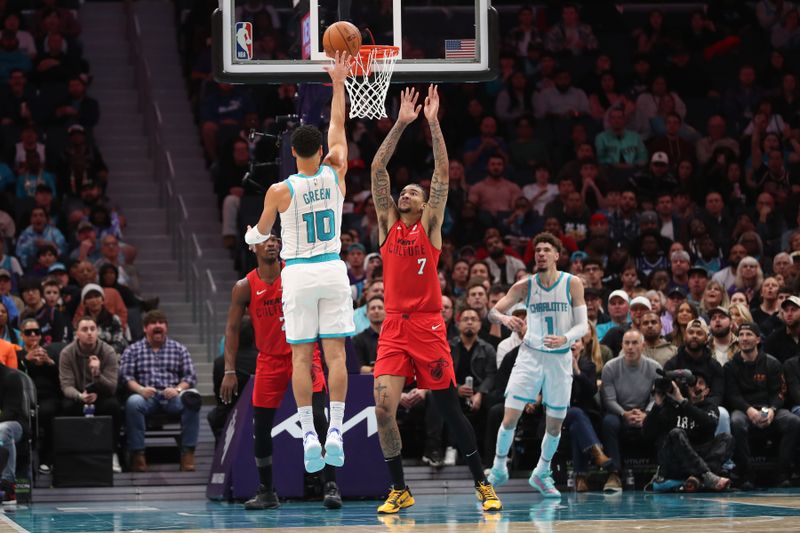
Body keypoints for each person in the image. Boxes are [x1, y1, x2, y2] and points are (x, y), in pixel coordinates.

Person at [369, 86, 501, 513]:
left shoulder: (429, 226)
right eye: (403, 191)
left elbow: (442, 175)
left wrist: (433, 123)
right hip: (393, 325)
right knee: (383, 409)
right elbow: (377, 169)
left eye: (413, 191)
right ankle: (399, 488)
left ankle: (482, 483)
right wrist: (402, 123)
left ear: (426, 204)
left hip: (427, 325)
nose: (406, 193)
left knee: (449, 411)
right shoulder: (388, 223)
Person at [244, 52, 353, 473]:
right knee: (337, 357)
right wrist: (339, 82)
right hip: (332, 268)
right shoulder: (336, 172)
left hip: (299, 275)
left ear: (291, 152)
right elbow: (338, 125)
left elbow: (259, 233)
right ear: (322, 151)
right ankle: (338, 431)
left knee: (302, 359)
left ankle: (310, 433)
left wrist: (252, 237)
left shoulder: (279, 190)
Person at [219, 235, 340, 510]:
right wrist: (229, 369)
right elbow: (232, 329)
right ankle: (267, 491)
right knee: (260, 427)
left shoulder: (295, 274)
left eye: (275, 239)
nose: (272, 243)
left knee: (319, 420)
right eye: (265, 240)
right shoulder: (244, 286)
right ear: (253, 247)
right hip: (269, 361)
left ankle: (331, 486)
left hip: (304, 354)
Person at [487, 231, 588, 498]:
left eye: (546, 249)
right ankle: (498, 468)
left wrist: (566, 338)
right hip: (530, 355)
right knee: (510, 418)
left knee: (555, 424)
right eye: (537, 250)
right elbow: (493, 311)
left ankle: (542, 472)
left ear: (557, 255)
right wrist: (505, 320)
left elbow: (583, 325)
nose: (541, 254)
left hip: (560, 359)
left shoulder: (572, 283)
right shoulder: (525, 285)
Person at [120, 310, 199, 473]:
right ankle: (138, 454)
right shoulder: (132, 350)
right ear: (145, 328)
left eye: (161, 323)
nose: (157, 326)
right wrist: (140, 389)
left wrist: (177, 389)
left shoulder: (179, 349)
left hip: (172, 397)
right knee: (132, 403)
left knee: (192, 399)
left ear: (166, 328)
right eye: (153, 323)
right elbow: (126, 377)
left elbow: (190, 377)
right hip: (146, 397)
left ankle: (188, 453)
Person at [725, 322, 800, 489]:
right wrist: (749, 410)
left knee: (793, 421)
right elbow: (732, 395)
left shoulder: (772, 363)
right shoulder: (730, 366)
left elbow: (780, 392)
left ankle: (783, 472)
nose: (744, 338)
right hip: (744, 409)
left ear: (758, 339)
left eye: (749, 334)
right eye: (742, 335)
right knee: (736, 422)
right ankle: (746, 473)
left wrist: (773, 410)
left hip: (769, 408)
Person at [644, 371, 732, 492]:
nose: (696, 386)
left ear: (706, 391)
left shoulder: (710, 407)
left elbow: (710, 423)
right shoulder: (671, 406)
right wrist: (657, 405)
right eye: (693, 383)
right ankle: (705, 476)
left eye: (701, 384)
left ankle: (696, 477)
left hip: (701, 456)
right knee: (676, 433)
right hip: (676, 460)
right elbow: (647, 432)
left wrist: (683, 402)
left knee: (727, 438)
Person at [59, 316, 122, 473]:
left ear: (98, 332)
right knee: (65, 407)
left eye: (93, 329)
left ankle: (113, 453)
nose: (89, 333)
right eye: (85, 329)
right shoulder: (67, 353)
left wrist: (97, 374)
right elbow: (66, 386)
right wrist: (80, 396)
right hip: (79, 396)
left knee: (114, 407)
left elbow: (112, 387)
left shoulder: (108, 351)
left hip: (102, 395)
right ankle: (71, 457)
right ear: (77, 334)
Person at [600, 330, 661, 492]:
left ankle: (663, 472)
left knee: (663, 418)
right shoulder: (610, 367)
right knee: (608, 422)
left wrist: (646, 414)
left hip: (645, 414)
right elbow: (609, 400)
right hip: (619, 414)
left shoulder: (655, 368)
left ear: (643, 345)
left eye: (634, 343)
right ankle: (614, 474)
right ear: (622, 345)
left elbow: (656, 399)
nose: (630, 347)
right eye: (626, 343)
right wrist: (624, 414)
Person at [0, 362, 26, 505]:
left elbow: (11, 411)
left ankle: (8, 486)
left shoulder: (11, 377)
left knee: (2, 430)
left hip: (15, 425)